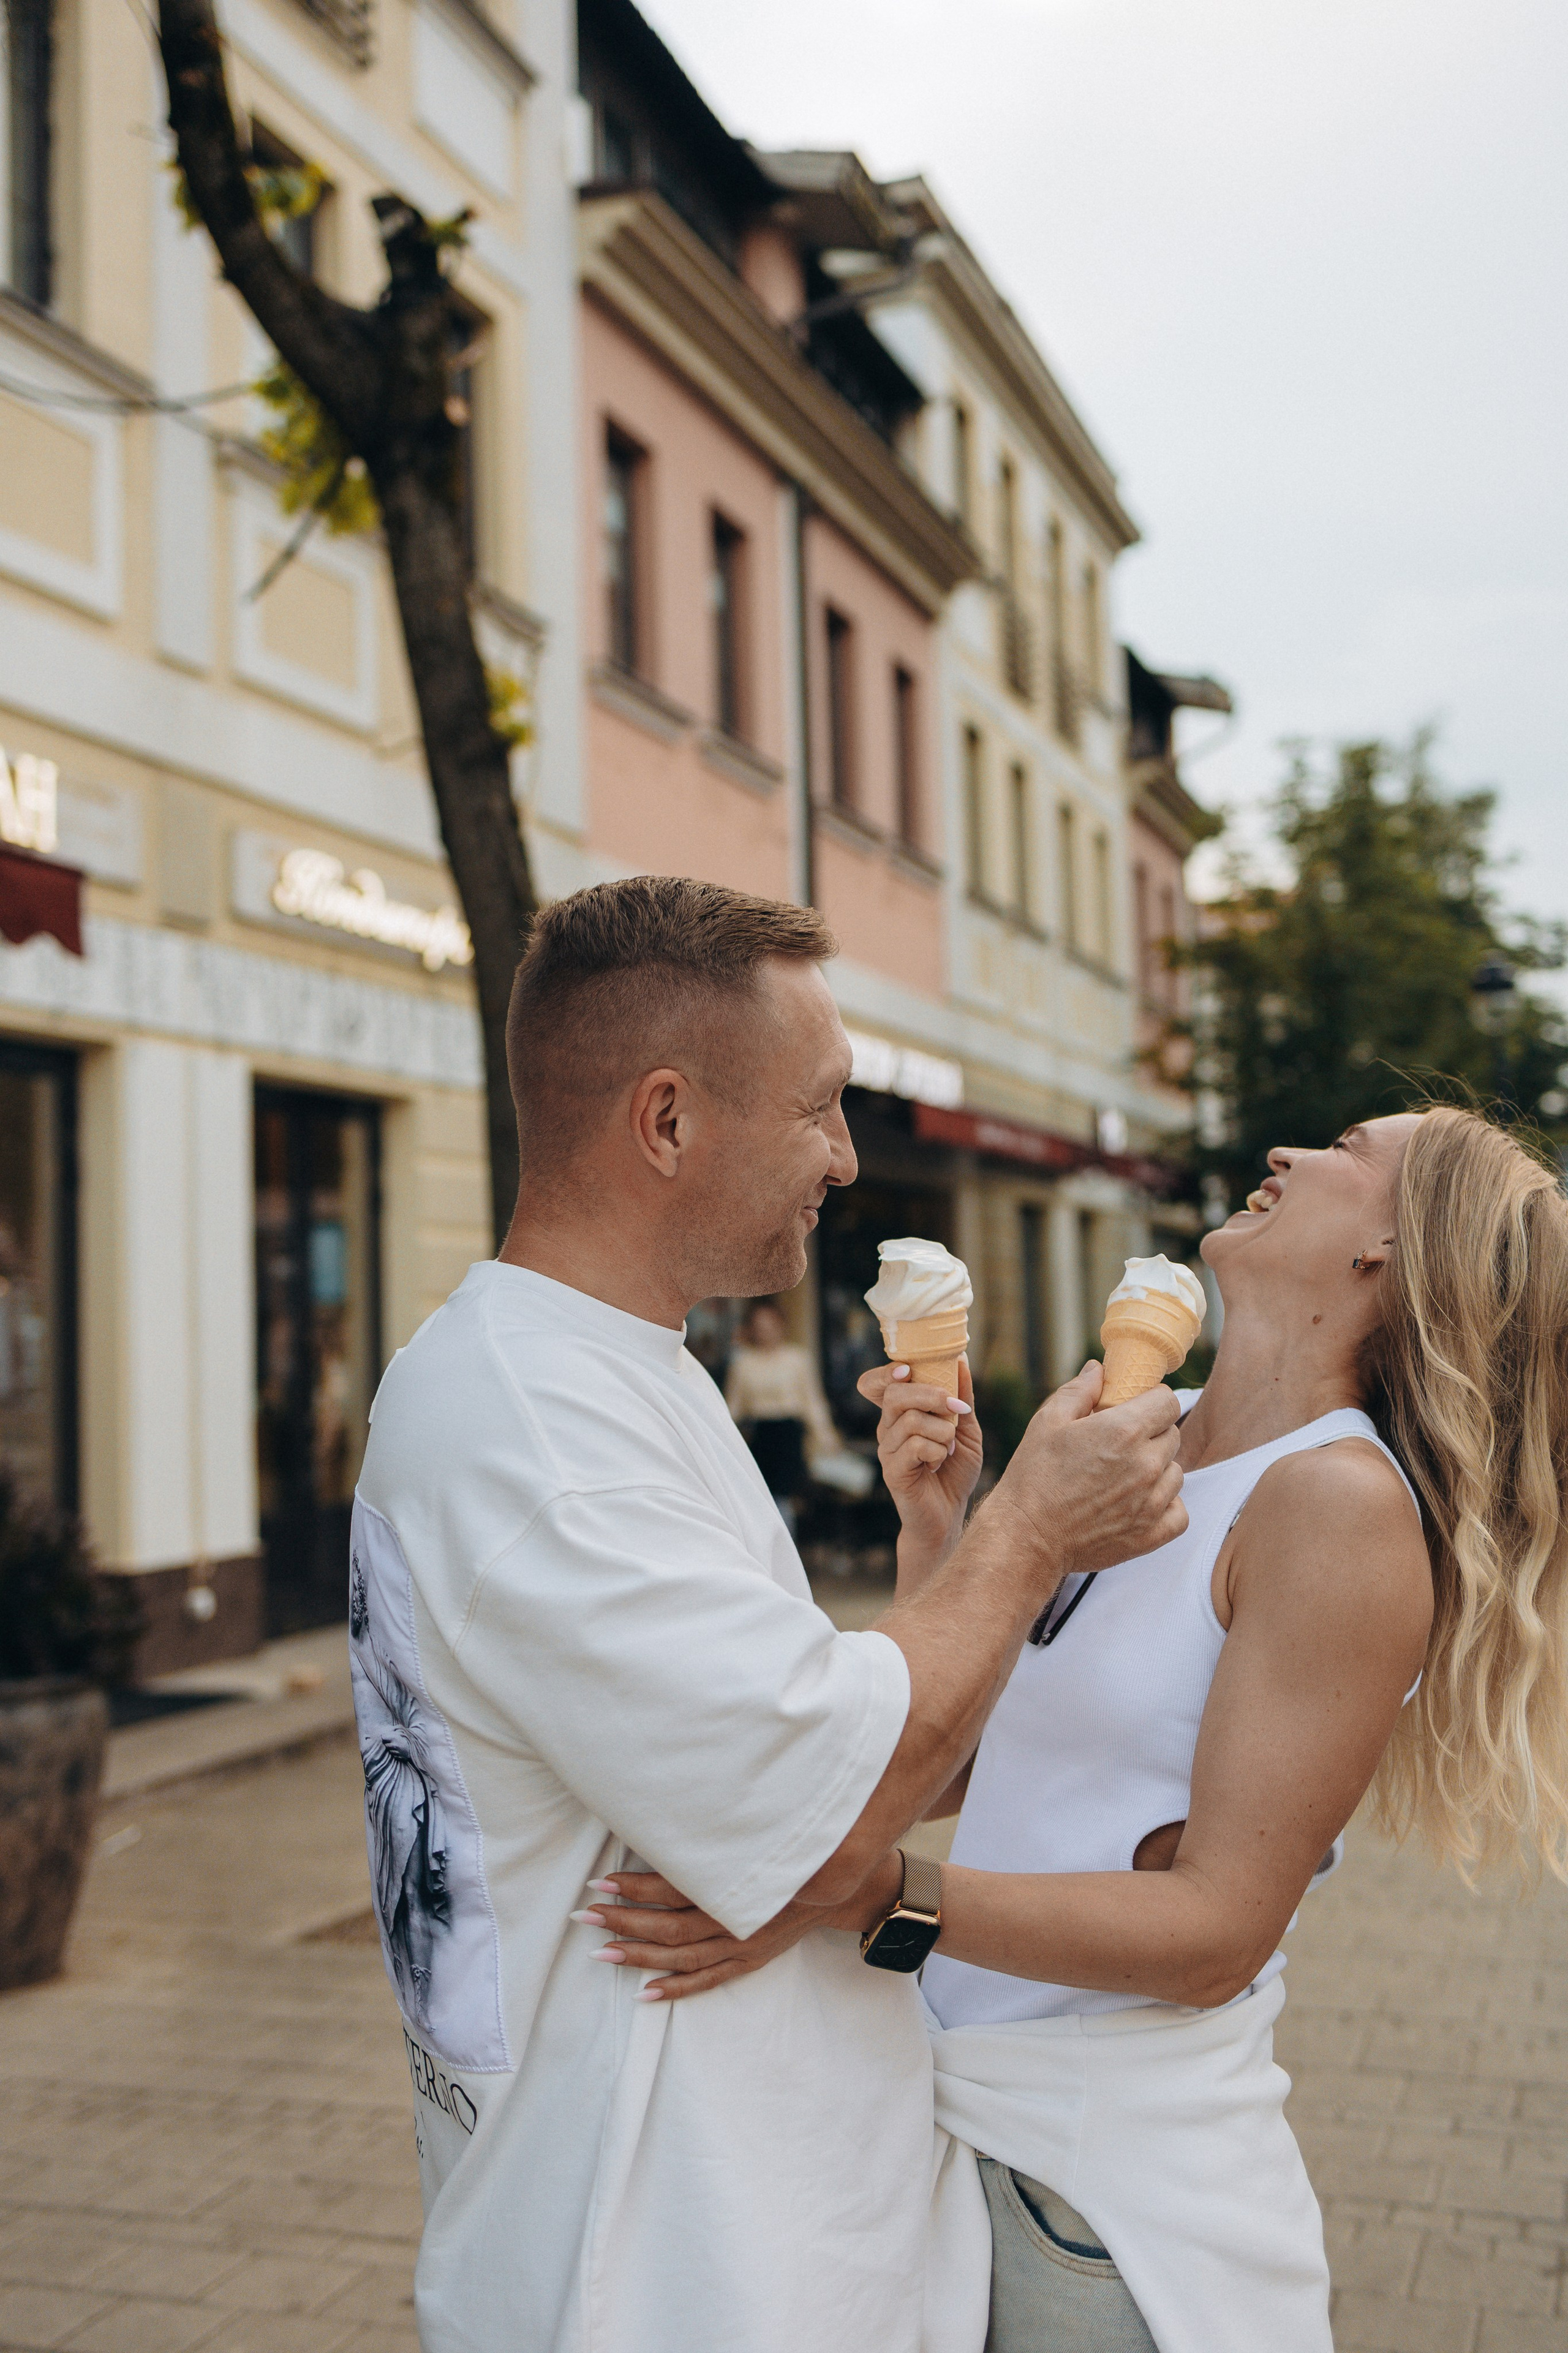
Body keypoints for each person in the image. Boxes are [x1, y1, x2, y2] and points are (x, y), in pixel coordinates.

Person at [348, 875, 1186, 2353]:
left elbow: (830, 1740)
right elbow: (835, 1797)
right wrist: (1034, 1527)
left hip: (765, 2241)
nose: (848, 1159)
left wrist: (937, 1539)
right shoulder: (536, 1432)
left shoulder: (618, 1367)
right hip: (672, 2272)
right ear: (666, 1121)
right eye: (818, 1107)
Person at [594, 1105, 1568, 2353]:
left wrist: (867, 1893)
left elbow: (1216, 1930)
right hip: (948, 2125)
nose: (1287, 1153)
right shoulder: (1135, 1438)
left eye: (1345, 1149)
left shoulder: (1332, 1504)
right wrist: (943, 1532)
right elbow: (978, 1759)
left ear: (1385, 1242)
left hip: (1099, 2198)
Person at [724, 1299, 839, 1529]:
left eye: (770, 1325)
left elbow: (812, 1401)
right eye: (759, 1327)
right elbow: (733, 1407)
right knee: (764, 1496)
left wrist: (827, 1437)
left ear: (781, 1326)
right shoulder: (743, 1363)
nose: (765, 1332)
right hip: (760, 1436)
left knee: (787, 1497)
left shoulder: (797, 1359)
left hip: (789, 1434)